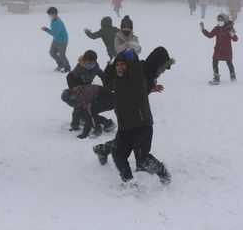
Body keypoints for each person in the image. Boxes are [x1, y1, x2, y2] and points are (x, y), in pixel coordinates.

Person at [92, 50, 171, 185]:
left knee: (142, 158)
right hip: (124, 126)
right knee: (118, 154)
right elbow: (107, 80)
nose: (120, 67)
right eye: (118, 65)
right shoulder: (116, 81)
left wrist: (131, 56)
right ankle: (128, 181)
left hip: (141, 124)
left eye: (123, 64)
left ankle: (162, 171)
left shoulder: (136, 76)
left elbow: (136, 70)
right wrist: (111, 63)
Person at [66, 49, 104, 131]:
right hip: (78, 88)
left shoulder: (95, 66)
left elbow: (102, 74)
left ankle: (83, 118)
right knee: (78, 106)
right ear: (84, 61)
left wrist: (107, 81)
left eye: (93, 62)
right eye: (89, 63)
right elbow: (69, 77)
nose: (91, 64)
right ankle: (74, 124)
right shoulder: (80, 68)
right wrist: (74, 89)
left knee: (87, 105)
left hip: (87, 89)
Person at [201, 14, 238, 84]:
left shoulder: (229, 29)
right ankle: (216, 78)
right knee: (214, 62)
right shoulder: (217, 28)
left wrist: (233, 35)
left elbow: (235, 39)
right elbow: (210, 35)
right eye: (219, 20)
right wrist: (203, 30)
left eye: (221, 20)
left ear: (225, 20)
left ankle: (233, 77)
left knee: (229, 63)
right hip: (218, 49)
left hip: (227, 50)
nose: (220, 21)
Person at [41, 6, 70, 73]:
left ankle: (67, 67)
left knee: (62, 55)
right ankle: (61, 64)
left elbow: (55, 33)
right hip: (56, 40)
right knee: (52, 53)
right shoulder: (53, 20)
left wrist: (46, 29)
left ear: (54, 14)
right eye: (49, 14)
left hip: (62, 41)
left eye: (50, 14)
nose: (49, 16)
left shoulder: (58, 23)